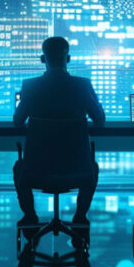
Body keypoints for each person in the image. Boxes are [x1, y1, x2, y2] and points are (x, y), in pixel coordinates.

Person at [13, 36, 105, 232]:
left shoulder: (30, 86)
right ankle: (80, 218)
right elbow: (100, 119)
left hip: (37, 170)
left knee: (18, 167)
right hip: (76, 169)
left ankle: (30, 216)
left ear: (42, 59)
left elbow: (17, 121)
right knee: (92, 167)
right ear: (68, 58)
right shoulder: (82, 85)